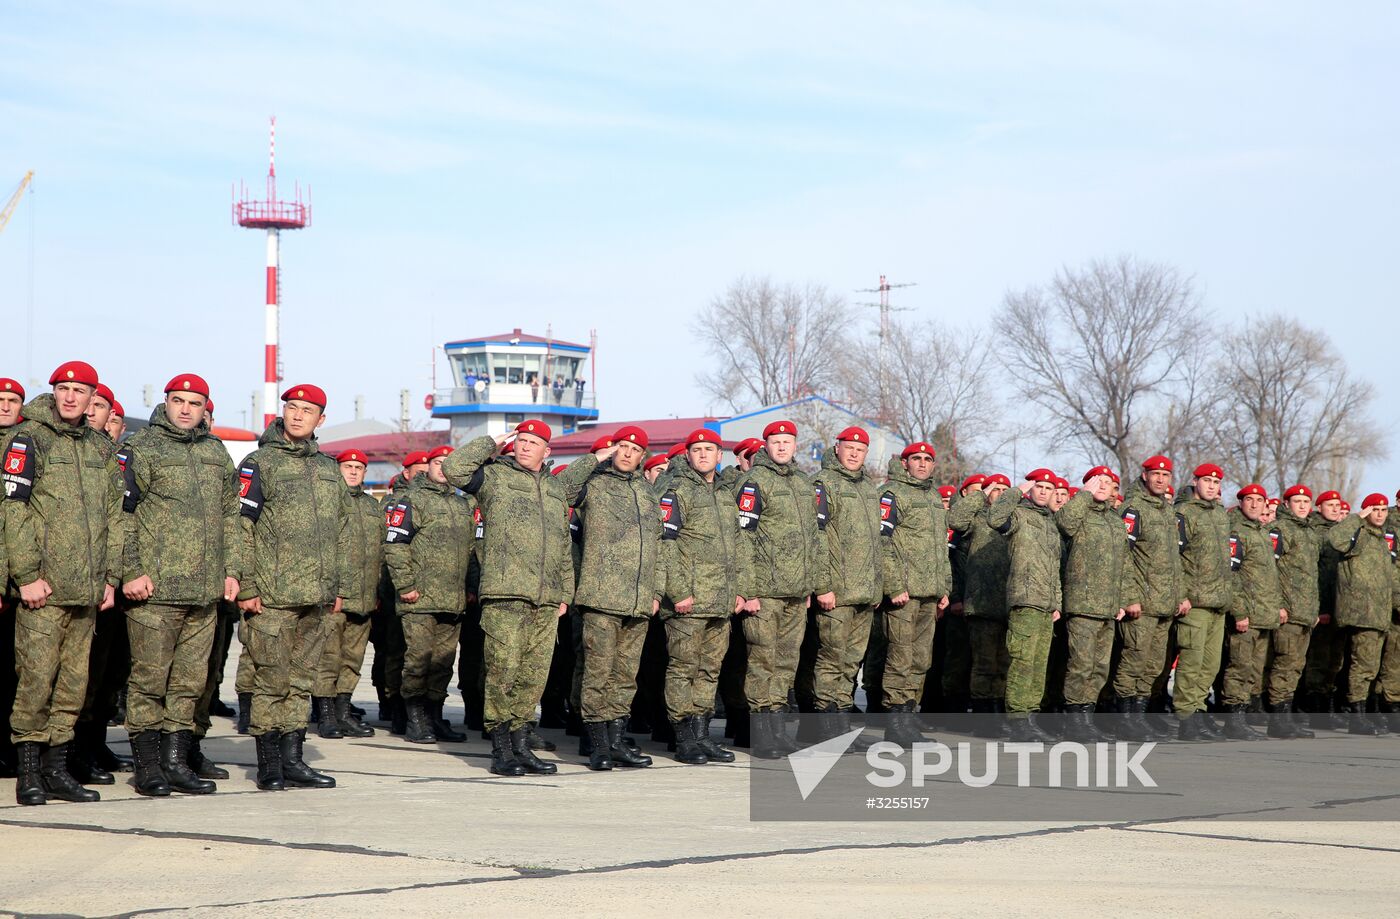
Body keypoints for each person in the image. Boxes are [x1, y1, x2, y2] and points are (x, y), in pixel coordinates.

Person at [4, 361, 121, 806]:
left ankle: (57, 770)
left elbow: (114, 516)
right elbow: (13, 510)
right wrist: (27, 576)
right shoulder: (28, 439)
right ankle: (30, 773)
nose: (71, 397)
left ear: (93, 398)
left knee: (73, 685)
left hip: (86, 589)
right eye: (64, 389)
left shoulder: (100, 447)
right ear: (54, 392)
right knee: (36, 680)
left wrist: (110, 577)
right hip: (45, 590)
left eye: (80, 390)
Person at [118, 373, 240, 795]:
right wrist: (131, 570)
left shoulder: (215, 452)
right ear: (166, 401)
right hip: (155, 592)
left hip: (203, 592)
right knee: (149, 682)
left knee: (189, 684)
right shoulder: (142, 448)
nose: (186, 409)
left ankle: (175, 762)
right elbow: (122, 514)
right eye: (178, 401)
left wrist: (231, 570)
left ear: (206, 407)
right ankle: (148, 766)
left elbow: (230, 516)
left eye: (195, 403)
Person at [441, 420, 573, 776]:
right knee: (503, 672)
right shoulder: (495, 477)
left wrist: (564, 592)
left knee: (533, 676)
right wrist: (490, 443)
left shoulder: (554, 488)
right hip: (506, 593)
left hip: (546, 597)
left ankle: (521, 744)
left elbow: (562, 544)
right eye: (521, 440)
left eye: (533, 442)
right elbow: (454, 469)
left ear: (547, 451)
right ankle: (501, 749)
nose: (525, 446)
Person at [236, 384, 349, 791]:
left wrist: (338, 586)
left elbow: (342, 530)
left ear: (321, 419)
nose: (298, 415)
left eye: (308, 410)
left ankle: (294, 759)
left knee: (301, 681)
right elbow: (240, 527)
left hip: (316, 597)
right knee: (271, 680)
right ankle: (269, 765)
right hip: (273, 595)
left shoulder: (328, 468)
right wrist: (247, 585)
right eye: (293, 407)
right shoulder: (259, 463)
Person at [566, 425, 660, 771]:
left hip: (638, 599)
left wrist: (656, 591)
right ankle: (597, 744)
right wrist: (593, 459)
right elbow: (563, 489)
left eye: (634, 450)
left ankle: (617, 742)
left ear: (642, 457)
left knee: (624, 676)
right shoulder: (594, 484)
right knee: (598, 674)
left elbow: (660, 546)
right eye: (621, 446)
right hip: (601, 597)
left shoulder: (647, 492)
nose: (627, 453)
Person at [735, 420, 823, 758]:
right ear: (766, 446)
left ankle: (777, 730)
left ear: (795, 445)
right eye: (776, 441)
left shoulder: (803, 483)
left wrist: (810, 586)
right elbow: (743, 538)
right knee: (762, 661)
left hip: (796, 592)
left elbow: (813, 539)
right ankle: (762, 734)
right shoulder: (754, 482)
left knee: (786, 662)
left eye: (787, 441)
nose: (782, 446)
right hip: (765, 591)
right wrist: (748, 589)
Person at [657, 428, 743, 765]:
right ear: (688, 455)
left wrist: (741, 590)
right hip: (688, 602)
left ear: (720, 455)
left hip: (719, 601)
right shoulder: (677, 490)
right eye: (697, 449)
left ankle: (702, 735)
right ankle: (684, 738)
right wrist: (679, 592)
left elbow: (738, 545)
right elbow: (665, 544)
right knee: (683, 669)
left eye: (710, 449)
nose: (704, 454)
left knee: (709, 670)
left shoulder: (724, 494)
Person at [385, 445, 478, 746]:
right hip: (420, 599)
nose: (443, 468)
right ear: (429, 467)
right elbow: (396, 545)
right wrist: (405, 586)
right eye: (438, 462)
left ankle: (435, 717)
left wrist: (470, 588)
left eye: (448, 463)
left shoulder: (462, 504)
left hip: (452, 600)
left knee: (442, 663)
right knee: (418, 660)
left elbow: (471, 551)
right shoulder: (412, 499)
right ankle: (415, 719)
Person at [803, 427, 882, 742]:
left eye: (860, 450)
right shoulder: (823, 484)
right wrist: (822, 585)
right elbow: (817, 538)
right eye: (849, 448)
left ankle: (840, 723)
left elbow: (877, 543)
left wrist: (877, 587)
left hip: (864, 593)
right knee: (831, 660)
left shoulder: (870, 488)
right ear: (837, 448)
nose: (854, 454)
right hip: (837, 592)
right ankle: (825, 725)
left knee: (851, 664)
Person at [875, 441, 951, 744]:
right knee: (900, 658)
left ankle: (908, 717)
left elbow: (941, 547)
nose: (922, 463)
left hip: (929, 592)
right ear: (905, 463)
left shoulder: (933, 496)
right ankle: (894, 723)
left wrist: (945, 587)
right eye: (916, 458)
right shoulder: (892, 493)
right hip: (904, 594)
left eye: (927, 459)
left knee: (921, 660)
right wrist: (894, 585)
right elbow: (883, 542)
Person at [987, 468, 1063, 742]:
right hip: (1025, 599)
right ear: (1031, 489)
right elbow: (995, 518)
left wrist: (1057, 602)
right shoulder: (1019, 515)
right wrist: (1016, 491)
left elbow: (1055, 566)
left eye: (1048, 488)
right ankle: (1018, 719)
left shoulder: (1051, 523)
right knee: (1022, 662)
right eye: (1039, 486)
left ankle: (1031, 716)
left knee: (1038, 665)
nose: (1044, 492)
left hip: (1046, 604)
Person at [312, 449, 382, 740]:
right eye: (347, 466)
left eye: (358, 467)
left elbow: (380, 552)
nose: (353, 471)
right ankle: (326, 716)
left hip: (364, 597)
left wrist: (377, 589)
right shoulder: (327, 500)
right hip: (335, 597)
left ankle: (343, 713)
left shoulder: (372, 506)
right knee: (328, 658)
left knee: (352, 660)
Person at [1114, 455, 1184, 742]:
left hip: (1164, 604)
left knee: (1153, 666)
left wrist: (1179, 595)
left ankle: (1139, 718)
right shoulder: (1133, 508)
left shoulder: (1167, 510)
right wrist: (1130, 597)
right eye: (1155, 474)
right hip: (1141, 603)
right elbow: (1123, 555)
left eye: (1165, 475)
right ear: (1144, 476)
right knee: (1133, 661)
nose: (1160, 479)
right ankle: (1123, 720)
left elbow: (1174, 560)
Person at [1055, 467, 1124, 743]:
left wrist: (1121, 599)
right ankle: (1073, 721)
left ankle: (1086, 717)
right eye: (1098, 481)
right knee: (1080, 665)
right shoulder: (1079, 511)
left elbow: (1124, 563)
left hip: (1108, 605)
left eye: (1108, 482)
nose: (1103, 486)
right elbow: (1064, 524)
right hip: (1083, 603)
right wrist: (1083, 496)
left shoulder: (1115, 520)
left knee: (1099, 668)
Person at [1220, 483, 1287, 741]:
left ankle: (1243, 716)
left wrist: (1276, 607)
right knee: (1239, 667)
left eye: (1260, 501)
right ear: (1241, 503)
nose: (1255, 504)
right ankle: (1233, 720)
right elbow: (1232, 575)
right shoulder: (1236, 532)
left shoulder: (1262, 532)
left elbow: (1270, 577)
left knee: (1253, 671)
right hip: (1247, 615)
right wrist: (1239, 612)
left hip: (1264, 615)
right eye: (1250, 500)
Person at [946, 472, 1012, 733]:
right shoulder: (976, 518)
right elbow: (955, 520)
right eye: (996, 489)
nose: (1001, 494)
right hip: (981, 603)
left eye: (1005, 490)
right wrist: (957, 597)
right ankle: (983, 717)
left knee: (1002, 664)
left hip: (1006, 604)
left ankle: (996, 713)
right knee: (983, 664)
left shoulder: (1014, 521)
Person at [1328, 494, 1398, 734]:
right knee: (1362, 666)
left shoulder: (1382, 539)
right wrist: (1356, 517)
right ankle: (1356, 717)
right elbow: (1335, 539)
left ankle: (1367, 712)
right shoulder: (1358, 533)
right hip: (1362, 613)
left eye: (1383, 510)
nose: (1380, 514)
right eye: (1374, 509)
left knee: (1372, 667)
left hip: (1379, 614)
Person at [1172, 463, 1232, 742]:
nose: (1211, 486)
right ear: (1195, 481)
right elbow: (1174, 558)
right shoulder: (1184, 513)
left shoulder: (1220, 514)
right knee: (1191, 663)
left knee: (1210, 665)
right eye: (1206, 480)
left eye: (1216, 482)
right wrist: (1180, 594)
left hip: (1218, 602)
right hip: (1195, 602)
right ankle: (1186, 719)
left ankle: (1198, 711)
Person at [1268, 484, 1321, 739]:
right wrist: (1278, 604)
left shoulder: (1309, 532)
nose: (1302, 506)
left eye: (1306, 501)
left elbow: (1311, 576)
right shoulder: (1279, 529)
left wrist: (1314, 610)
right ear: (1287, 504)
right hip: (1288, 611)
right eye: (1297, 501)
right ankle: (1278, 720)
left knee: (1296, 666)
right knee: (1284, 665)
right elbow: (1269, 569)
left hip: (1305, 612)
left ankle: (1286, 717)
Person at [0, 378, 23, 780]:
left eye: (12, 400)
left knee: (10, 669)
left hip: (14, 577)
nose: (5, 406)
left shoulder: (26, 444)